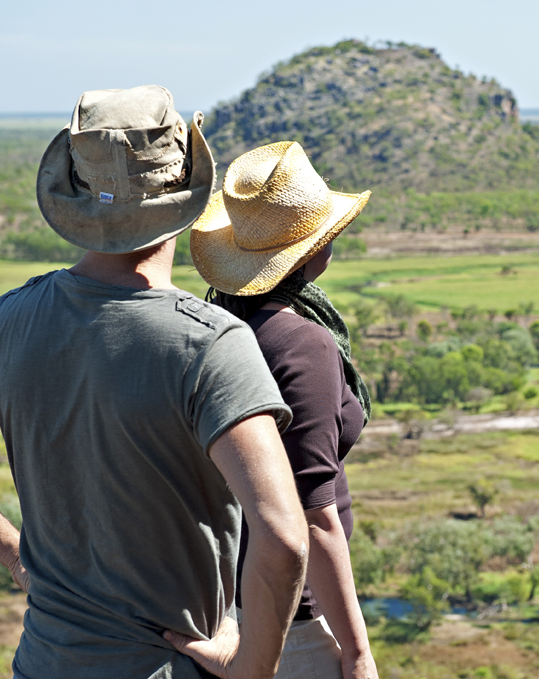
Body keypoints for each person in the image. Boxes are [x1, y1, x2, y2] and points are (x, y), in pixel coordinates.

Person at [0, 85, 309, 679]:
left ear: (76, 193)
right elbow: (283, 537)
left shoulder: (10, 320)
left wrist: (13, 552)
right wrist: (251, 666)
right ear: (185, 191)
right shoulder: (210, 344)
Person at [189, 140, 377, 679]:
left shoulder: (208, 326)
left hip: (216, 602)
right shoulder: (302, 344)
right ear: (314, 250)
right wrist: (358, 654)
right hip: (290, 621)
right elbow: (314, 517)